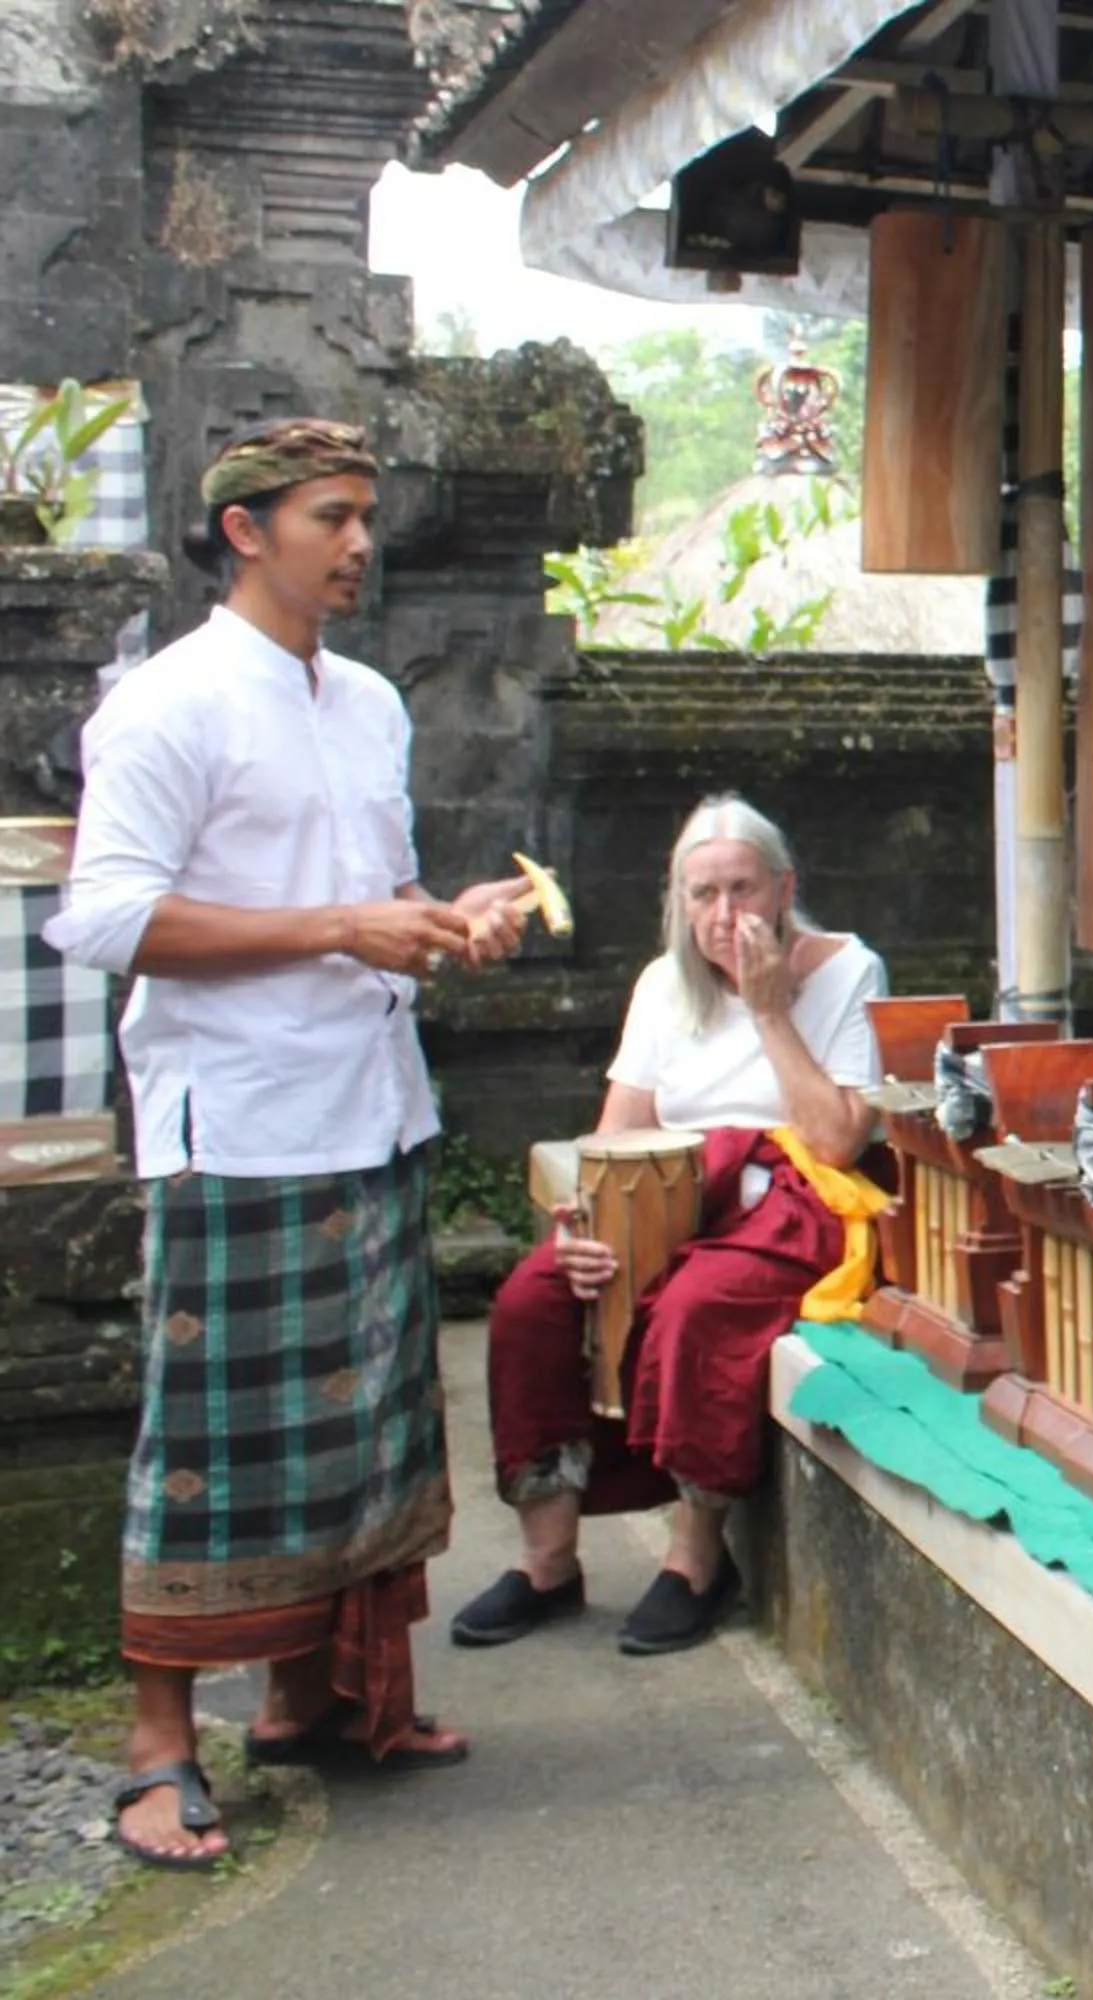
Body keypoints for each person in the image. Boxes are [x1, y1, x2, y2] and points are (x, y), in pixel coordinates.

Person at [47, 419, 530, 1869]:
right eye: (333, 516)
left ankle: (315, 1702)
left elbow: (370, 896)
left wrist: (444, 926)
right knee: (210, 1438)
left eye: (369, 516)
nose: (361, 544)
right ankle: (157, 1747)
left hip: (371, 1103)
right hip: (241, 1122)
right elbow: (110, 922)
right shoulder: (165, 705)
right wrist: (340, 925)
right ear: (246, 531)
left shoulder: (370, 703)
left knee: (366, 1430)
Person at [459, 797, 886, 1657]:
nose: (725, 916)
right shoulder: (665, 983)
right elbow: (616, 1133)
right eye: (703, 896)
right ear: (679, 902)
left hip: (785, 1198)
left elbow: (839, 1137)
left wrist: (769, 1011)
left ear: (783, 888)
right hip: (661, 1193)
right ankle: (549, 1563)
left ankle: (697, 1559)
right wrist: (574, 1224)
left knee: (697, 1310)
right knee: (531, 1303)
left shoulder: (847, 970)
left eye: (742, 890)